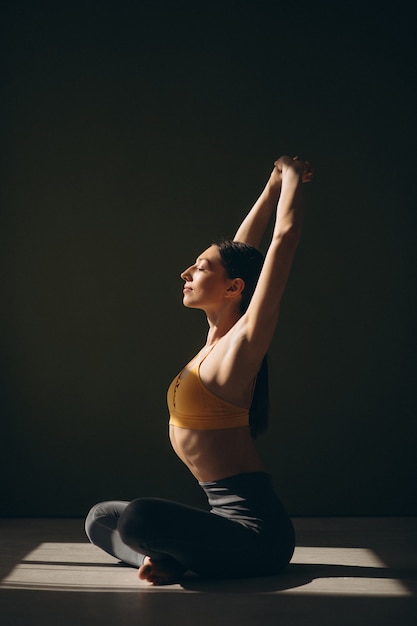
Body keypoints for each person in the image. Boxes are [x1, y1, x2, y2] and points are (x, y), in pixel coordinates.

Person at [85, 155, 313, 585]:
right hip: (221, 521)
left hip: (258, 535)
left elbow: (282, 241)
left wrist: (294, 182)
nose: (186, 273)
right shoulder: (213, 342)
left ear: (233, 288)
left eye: (201, 267)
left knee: (138, 518)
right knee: (100, 517)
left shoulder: (242, 347)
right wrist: (269, 188)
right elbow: (242, 255)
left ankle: (178, 560)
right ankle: (176, 560)